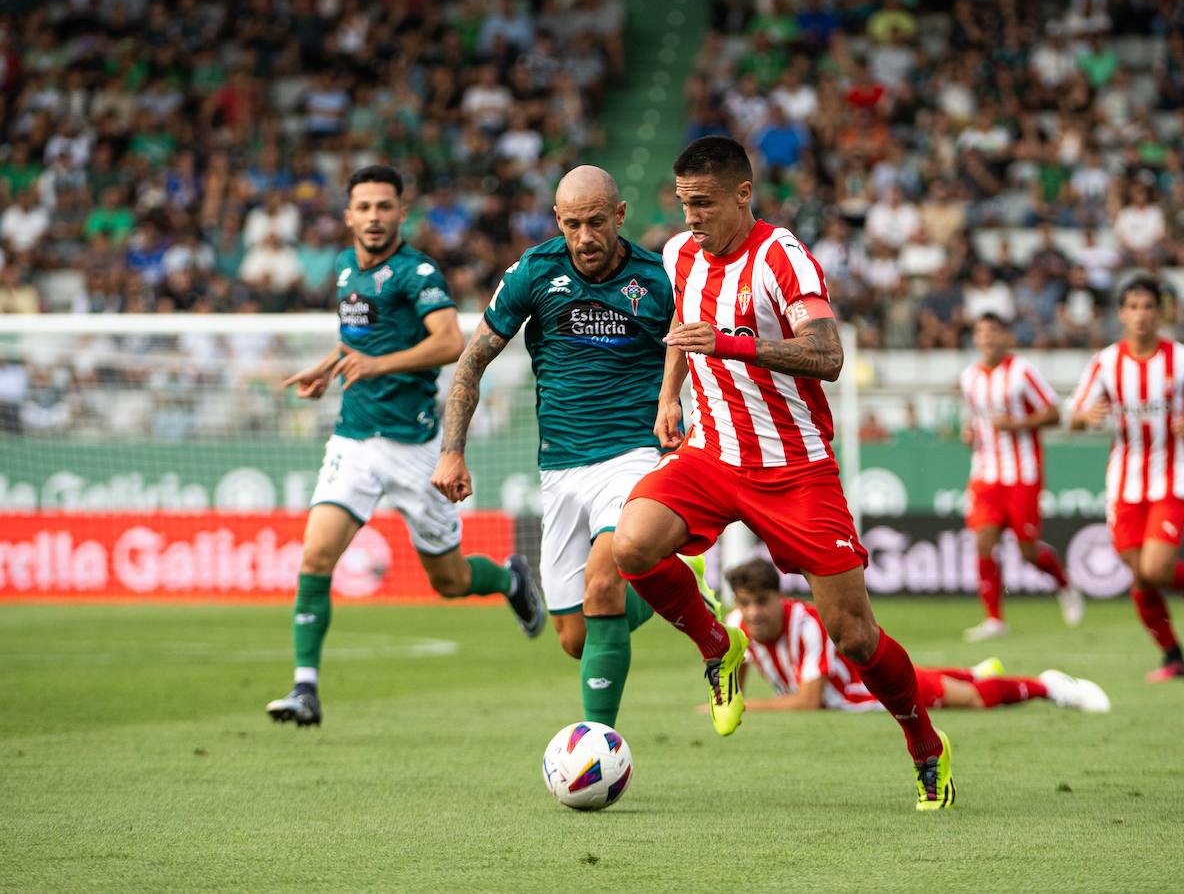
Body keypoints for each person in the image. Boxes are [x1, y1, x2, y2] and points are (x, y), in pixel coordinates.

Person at [611, 136, 955, 810]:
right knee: (631, 546)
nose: (691, 218)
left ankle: (925, 744)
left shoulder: (782, 256)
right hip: (710, 456)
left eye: (704, 203)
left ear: (744, 193)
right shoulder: (679, 254)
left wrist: (731, 343)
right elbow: (685, 323)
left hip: (794, 469)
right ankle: (720, 646)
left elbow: (826, 355)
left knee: (853, 634)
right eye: (684, 204)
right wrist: (667, 395)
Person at [431, 166, 719, 729]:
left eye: (595, 222)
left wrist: (671, 399)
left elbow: (687, 342)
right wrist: (451, 450)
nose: (585, 237)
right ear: (556, 221)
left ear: (619, 215)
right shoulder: (535, 272)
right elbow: (473, 360)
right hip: (560, 465)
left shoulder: (657, 277)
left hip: (635, 456)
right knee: (576, 637)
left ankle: (599, 745)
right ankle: (675, 582)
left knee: (603, 580)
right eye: (571, 224)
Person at [266, 165, 545, 727]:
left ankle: (510, 578)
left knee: (450, 582)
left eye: (384, 207)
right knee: (316, 555)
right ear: (348, 215)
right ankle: (305, 689)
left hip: (416, 447)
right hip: (354, 439)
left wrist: (377, 365)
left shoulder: (416, 272)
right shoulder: (346, 269)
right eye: (363, 207)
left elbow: (449, 342)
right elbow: (357, 339)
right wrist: (329, 367)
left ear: (401, 213)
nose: (373, 217)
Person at [1069, 276, 1184, 683]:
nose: (1140, 315)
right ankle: (1173, 655)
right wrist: (1086, 417)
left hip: (1170, 477)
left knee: (1154, 570)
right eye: (1132, 307)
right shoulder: (1105, 362)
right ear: (1122, 314)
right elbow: (1074, 415)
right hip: (1124, 481)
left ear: (1162, 312)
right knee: (1138, 575)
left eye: (1148, 306)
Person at [722, 559, 1109, 714]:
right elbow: (734, 673)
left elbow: (808, 703)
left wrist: (744, 707)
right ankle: (976, 670)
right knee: (932, 676)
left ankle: (1047, 686)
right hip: (860, 688)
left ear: (779, 597)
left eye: (761, 602)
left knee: (970, 701)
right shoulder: (739, 622)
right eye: (746, 603)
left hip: (869, 692)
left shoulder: (805, 622)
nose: (753, 612)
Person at [959, 312, 1084, 641]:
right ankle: (994, 620)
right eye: (981, 331)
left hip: (1022, 473)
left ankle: (1065, 585)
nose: (987, 337)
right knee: (983, 542)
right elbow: (975, 419)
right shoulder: (969, 377)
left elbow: (1054, 413)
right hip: (985, 473)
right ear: (975, 338)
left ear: (1005, 336)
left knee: (1027, 550)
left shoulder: (1022, 372)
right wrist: (969, 432)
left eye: (993, 331)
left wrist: (1017, 425)